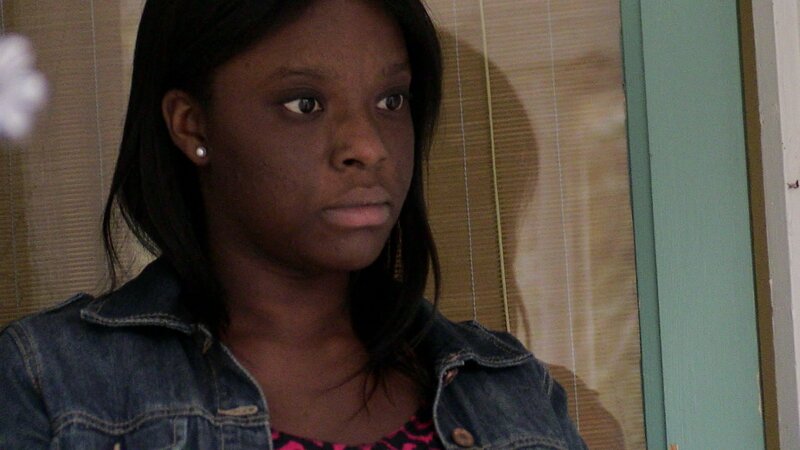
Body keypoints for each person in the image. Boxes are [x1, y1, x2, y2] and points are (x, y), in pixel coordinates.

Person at [0, 0, 588, 448]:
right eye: (304, 104)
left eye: (391, 101)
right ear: (192, 124)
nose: (369, 147)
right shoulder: (52, 384)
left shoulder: (512, 394)